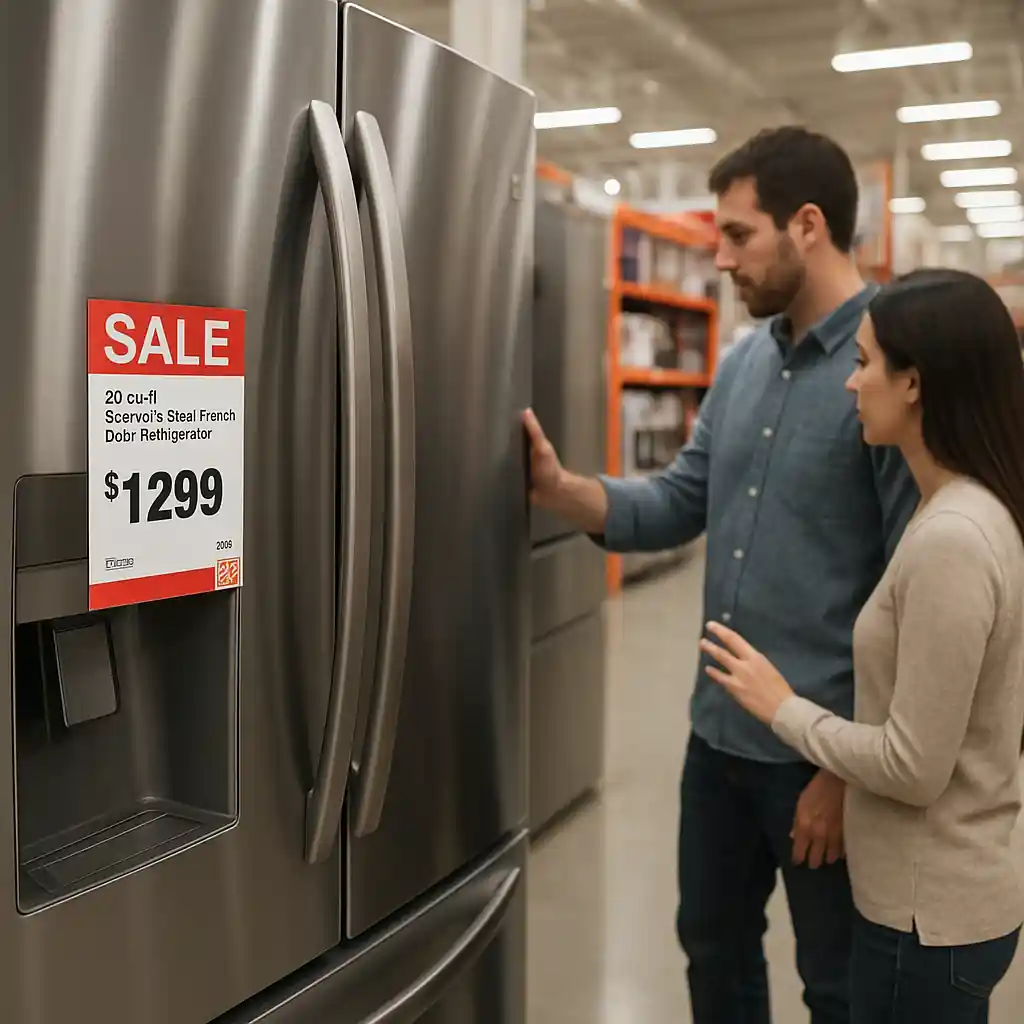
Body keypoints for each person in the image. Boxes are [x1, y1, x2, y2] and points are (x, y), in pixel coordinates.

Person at [523, 125, 919, 1024]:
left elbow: (908, 590)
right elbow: (677, 502)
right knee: (713, 949)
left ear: (806, 226)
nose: (720, 255)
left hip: (818, 755)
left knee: (836, 986)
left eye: (738, 234)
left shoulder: (888, 371)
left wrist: (845, 769)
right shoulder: (741, 364)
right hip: (718, 745)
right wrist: (562, 491)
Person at [700, 268, 1024, 1023]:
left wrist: (784, 710)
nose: (851, 385)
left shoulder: (953, 539)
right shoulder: (966, 508)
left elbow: (914, 768)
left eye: (864, 363)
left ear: (913, 384)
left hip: (927, 920)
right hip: (938, 906)